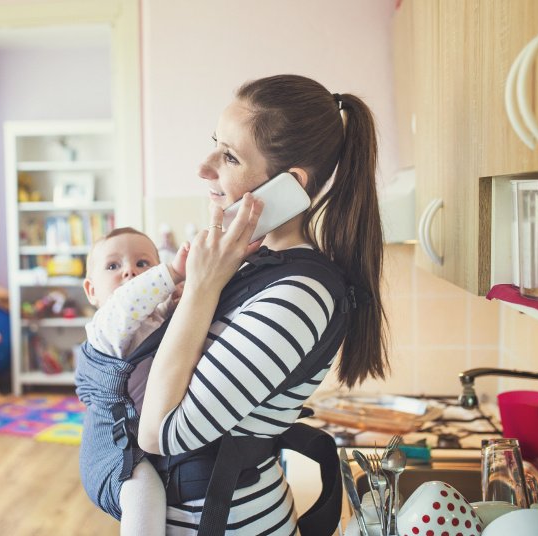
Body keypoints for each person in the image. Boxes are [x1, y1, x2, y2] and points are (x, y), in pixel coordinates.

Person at [137, 74, 389, 534]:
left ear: (290, 186)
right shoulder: (250, 264)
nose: (204, 167)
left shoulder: (300, 294)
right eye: (215, 144)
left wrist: (199, 289)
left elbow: (161, 434)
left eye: (229, 156)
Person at [76, 227, 188, 535]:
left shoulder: (155, 317)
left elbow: (164, 324)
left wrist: (180, 299)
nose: (129, 272)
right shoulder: (106, 327)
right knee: (145, 490)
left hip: (143, 434)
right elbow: (128, 303)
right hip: (111, 445)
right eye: (113, 266)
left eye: (143, 263)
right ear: (91, 290)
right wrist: (173, 271)